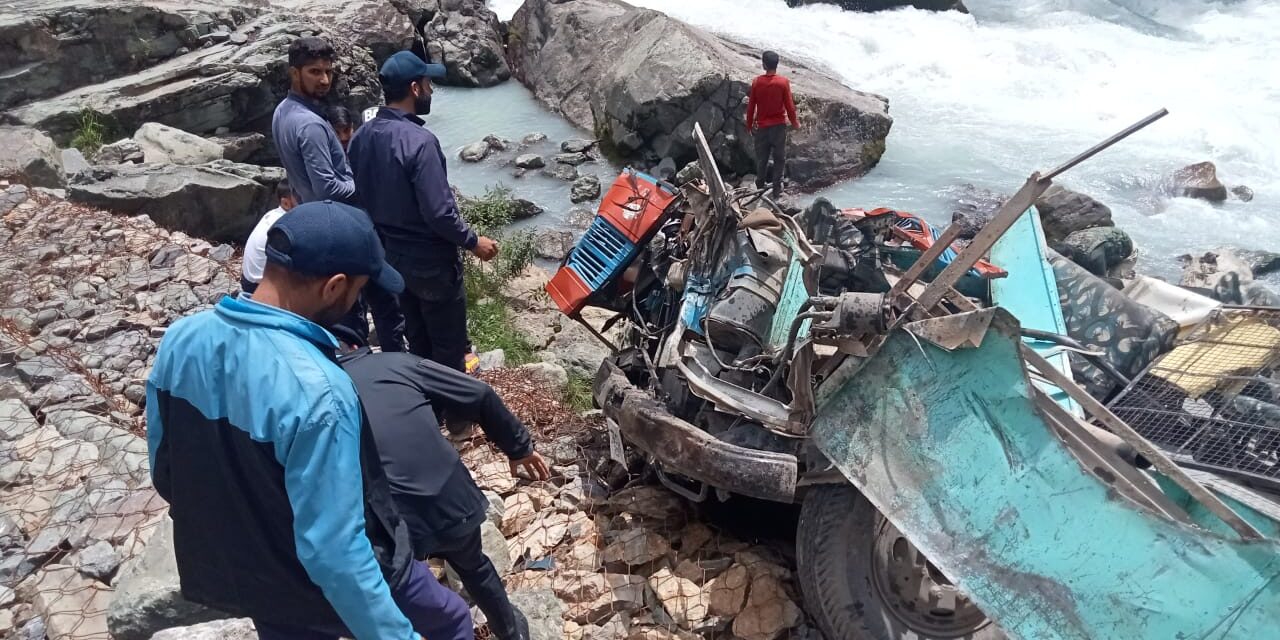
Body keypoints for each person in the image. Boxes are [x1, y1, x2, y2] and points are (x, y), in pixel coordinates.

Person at [146, 200, 472, 640]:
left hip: (249, 572)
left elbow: (165, 469)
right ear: (334, 287)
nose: (359, 300)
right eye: (359, 289)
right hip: (313, 579)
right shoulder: (319, 391)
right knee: (451, 620)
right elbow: (335, 551)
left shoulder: (181, 339)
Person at [329, 323, 551, 640]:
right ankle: (511, 633)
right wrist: (518, 448)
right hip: (449, 494)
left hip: (390, 516)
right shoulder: (397, 363)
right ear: (357, 345)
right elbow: (480, 394)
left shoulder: (319, 392)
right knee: (474, 566)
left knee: (406, 587)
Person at [348, 51, 500, 371]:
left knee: (417, 341)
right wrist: (474, 242)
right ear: (415, 88)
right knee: (448, 351)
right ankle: (452, 402)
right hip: (431, 265)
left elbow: (361, 195)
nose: (431, 91)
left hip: (391, 256)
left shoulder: (361, 137)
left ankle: (424, 397)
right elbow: (439, 213)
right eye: (428, 84)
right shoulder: (420, 141)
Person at [272, 37, 355, 204]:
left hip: (307, 208)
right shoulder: (310, 124)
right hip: (334, 213)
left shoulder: (282, 109)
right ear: (295, 73)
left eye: (328, 72)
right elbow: (327, 190)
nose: (325, 80)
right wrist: (363, 184)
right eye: (315, 72)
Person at [746, 50, 800, 199]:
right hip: (778, 127)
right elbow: (790, 106)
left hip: (762, 128)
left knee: (762, 159)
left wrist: (749, 125)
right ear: (777, 65)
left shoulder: (757, 82)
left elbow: (751, 107)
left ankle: (759, 186)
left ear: (764, 64)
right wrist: (795, 123)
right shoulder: (783, 82)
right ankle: (777, 189)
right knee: (779, 158)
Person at [241, 180, 297, 293]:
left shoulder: (272, 214)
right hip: (258, 288)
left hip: (248, 280)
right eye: (300, 198)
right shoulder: (285, 224)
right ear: (286, 203)